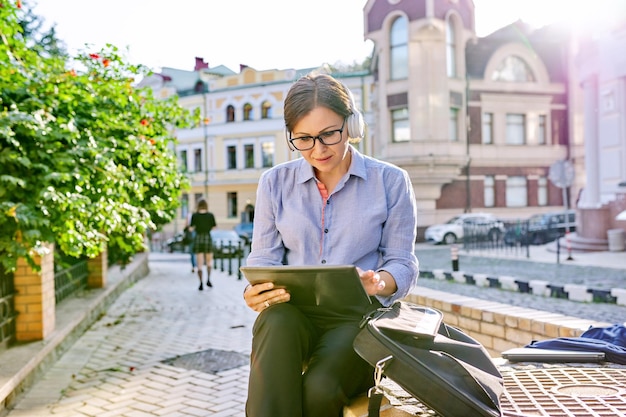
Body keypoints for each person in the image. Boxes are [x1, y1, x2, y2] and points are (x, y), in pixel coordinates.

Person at [242, 73, 419, 417]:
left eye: (328, 135)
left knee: (319, 390)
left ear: (351, 126)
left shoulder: (391, 181)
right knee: (273, 323)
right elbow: (264, 258)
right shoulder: (274, 183)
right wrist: (256, 292)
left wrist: (380, 281)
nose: (318, 150)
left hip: (357, 318)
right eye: (304, 139)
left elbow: (403, 261)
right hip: (293, 314)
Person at [188, 198, 216, 290]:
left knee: (199, 264)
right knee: (209, 262)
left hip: (198, 238)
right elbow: (214, 227)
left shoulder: (195, 215)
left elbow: (191, 228)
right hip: (207, 238)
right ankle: (208, 279)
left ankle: (200, 283)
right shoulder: (210, 215)